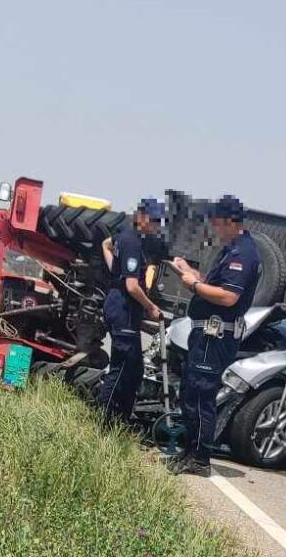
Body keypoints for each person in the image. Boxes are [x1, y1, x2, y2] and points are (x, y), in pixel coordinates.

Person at [167, 195, 260, 477]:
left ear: (230, 221)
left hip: (215, 335)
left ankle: (200, 458)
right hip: (206, 333)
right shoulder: (231, 249)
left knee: (201, 394)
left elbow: (229, 297)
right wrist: (190, 272)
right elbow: (214, 284)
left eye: (217, 221)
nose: (214, 227)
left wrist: (194, 285)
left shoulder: (243, 253)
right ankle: (190, 451)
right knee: (191, 392)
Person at [96, 198, 165, 425]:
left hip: (120, 305)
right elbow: (132, 286)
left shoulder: (124, 236)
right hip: (124, 308)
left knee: (134, 369)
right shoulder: (133, 242)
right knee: (122, 366)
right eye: (154, 220)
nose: (156, 225)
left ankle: (120, 419)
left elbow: (105, 244)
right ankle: (104, 422)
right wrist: (151, 307)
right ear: (142, 217)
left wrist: (115, 268)